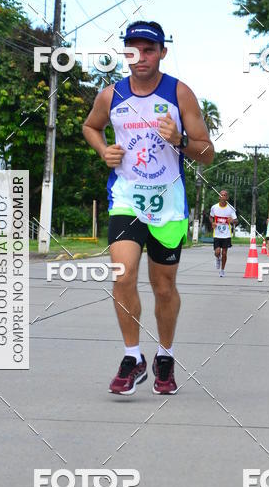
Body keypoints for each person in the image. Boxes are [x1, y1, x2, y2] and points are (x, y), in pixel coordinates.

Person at [83, 20, 214, 395]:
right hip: (126, 199)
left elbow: (207, 153)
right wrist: (102, 149)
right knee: (123, 276)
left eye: (149, 49)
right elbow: (90, 126)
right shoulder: (111, 96)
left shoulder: (180, 93)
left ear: (162, 52)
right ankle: (132, 356)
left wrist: (181, 139)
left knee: (163, 286)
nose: (140, 57)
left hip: (168, 206)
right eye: (132, 50)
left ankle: (165, 356)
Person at [210, 189, 237, 276]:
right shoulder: (214, 207)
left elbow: (236, 220)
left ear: (227, 197)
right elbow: (211, 217)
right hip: (217, 234)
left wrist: (232, 220)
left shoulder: (231, 208)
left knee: (224, 253)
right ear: (219, 197)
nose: (223, 196)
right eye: (221, 195)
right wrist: (212, 222)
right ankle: (218, 259)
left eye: (225, 195)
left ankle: (222, 270)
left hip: (226, 234)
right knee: (217, 252)